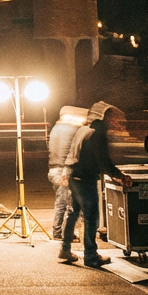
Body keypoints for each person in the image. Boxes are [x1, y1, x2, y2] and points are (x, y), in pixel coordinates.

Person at [58, 105, 114, 267]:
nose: (114, 123)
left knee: (73, 213)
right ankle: (90, 256)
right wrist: (118, 175)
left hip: (73, 175)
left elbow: (71, 152)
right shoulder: (97, 134)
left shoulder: (83, 130)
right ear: (104, 118)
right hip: (85, 178)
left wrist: (65, 171)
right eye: (112, 119)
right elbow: (104, 160)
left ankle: (65, 249)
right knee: (91, 217)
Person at [47, 106, 87, 241]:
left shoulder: (55, 129)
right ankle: (66, 234)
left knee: (61, 203)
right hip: (64, 171)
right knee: (70, 205)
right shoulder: (73, 130)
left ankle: (58, 232)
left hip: (53, 169)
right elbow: (73, 152)